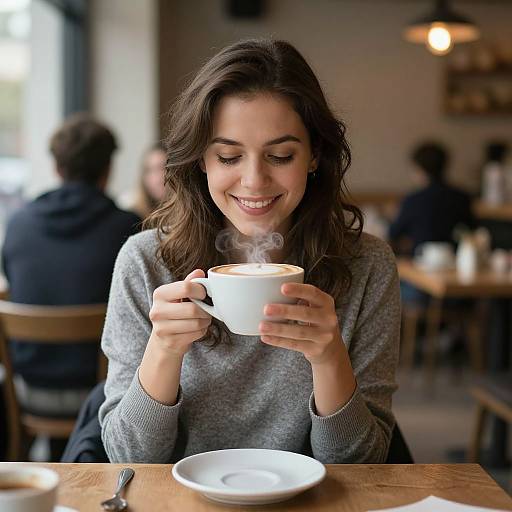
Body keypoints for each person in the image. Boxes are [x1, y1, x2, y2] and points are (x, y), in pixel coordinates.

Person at [99, 39, 400, 464]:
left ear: (314, 155)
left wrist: (330, 358)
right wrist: (164, 350)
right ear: (201, 160)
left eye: (280, 155)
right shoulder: (146, 263)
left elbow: (362, 465)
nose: (254, 181)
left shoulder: (367, 267)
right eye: (228, 156)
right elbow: (129, 458)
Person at [1, 113, 141, 459]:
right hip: (101, 392)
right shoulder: (128, 231)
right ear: (108, 168)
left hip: (26, 391)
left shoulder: (19, 224)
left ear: (56, 167)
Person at [388, 142, 475, 305]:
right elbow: (470, 231)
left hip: (421, 285)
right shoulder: (462, 198)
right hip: (458, 279)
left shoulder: (413, 200)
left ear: (419, 169)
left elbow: (393, 233)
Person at [124, 143, 167, 219]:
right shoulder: (130, 212)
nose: (157, 179)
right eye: (149, 170)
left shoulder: (187, 213)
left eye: (162, 168)